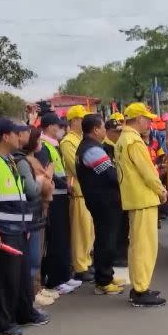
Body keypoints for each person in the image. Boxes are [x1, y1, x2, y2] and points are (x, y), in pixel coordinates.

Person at [0, 118, 50, 335]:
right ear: (5, 136)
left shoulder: (9, 160)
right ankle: (2, 323)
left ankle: (24, 312)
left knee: (21, 275)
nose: (21, 137)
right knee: (3, 278)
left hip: (18, 227)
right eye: (16, 133)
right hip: (3, 229)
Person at [115, 103, 167, 307]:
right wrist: (161, 190)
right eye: (147, 119)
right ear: (138, 119)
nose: (150, 123)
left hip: (135, 198)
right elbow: (147, 171)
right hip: (143, 199)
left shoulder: (122, 140)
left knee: (138, 245)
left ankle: (140, 286)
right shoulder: (134, 141)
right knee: (145, 246)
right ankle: (140, 289)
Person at [75, 115, 127, 294]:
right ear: (96, 130)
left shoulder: (89, 147)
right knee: (107, 240)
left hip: (100, 200)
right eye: (103, 127)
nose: (105, 131)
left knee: (105, 238)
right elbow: (111, 176)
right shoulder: (92, 150)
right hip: (104, 201)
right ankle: (103, 281)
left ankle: (106, 275)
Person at [37, 113, 80, 295]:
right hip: (53, 196)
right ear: (48, 127)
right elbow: (47, 173)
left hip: (61, 195)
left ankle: (64, 276)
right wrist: (66, 185)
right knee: (56, 239)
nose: (60, 129)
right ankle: (56, 280)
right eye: (57, 126)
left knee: (63, 238)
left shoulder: (53, 145)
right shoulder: (44, 147)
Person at [15, 128, 58, 307]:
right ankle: (32, 292)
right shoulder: (26, 161)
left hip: (36, 212)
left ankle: (36, 288)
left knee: (38, 253)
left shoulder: (29, 160)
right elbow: (35, 189)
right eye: (38, 138)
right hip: (32, 213)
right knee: (33, 256)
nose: (41, 142)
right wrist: (46, 177)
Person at [60, 105, 95, 283]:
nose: (84, 122)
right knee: (81, 232)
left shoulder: (80, 139)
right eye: (81, 119)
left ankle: (87, 262)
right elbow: (77, 166)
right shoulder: (68, 142)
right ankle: (80, 266)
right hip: (79, 191)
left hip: (87, 191)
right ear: (74, 121)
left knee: (88, 231)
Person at [103, 119, 129, 267]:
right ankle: (117, 255)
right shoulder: (104, 148)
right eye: (116, 132)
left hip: (122, 191)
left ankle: (122, 252)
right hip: (111, 193)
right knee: (115, 226)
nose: (119, 134)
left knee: (123, 225)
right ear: (108, 132)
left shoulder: (119, 145)